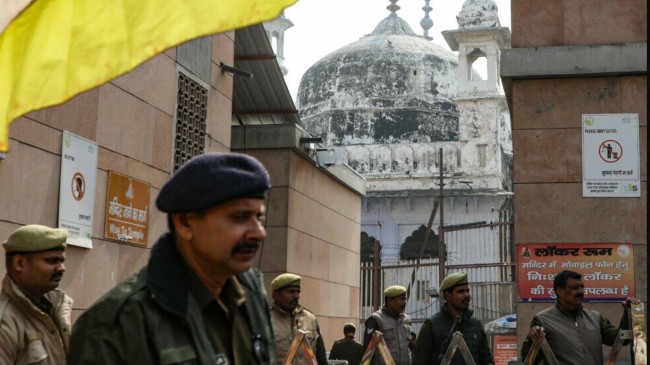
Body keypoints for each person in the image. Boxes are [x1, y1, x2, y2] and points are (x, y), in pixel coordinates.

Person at [68, 152, 277, 364]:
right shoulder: (116, 325)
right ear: (185, 223)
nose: (259, 233)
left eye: (259, 217)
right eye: (240, 217)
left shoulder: (250, 294)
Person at [520, 270, 639, 365]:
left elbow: (619, 339)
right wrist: (533, 338)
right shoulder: (543, 320)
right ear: (559, 291)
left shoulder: (595, 318)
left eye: (582, 287)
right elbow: (530, 360)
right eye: (575, 288)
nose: (581, 291)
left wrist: (628, 313)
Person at [0, 224, 72, 365]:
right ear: (19, 263)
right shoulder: (5, 321)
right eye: (52, 261)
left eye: (62, 261)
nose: (62, 268)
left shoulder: (55, 309)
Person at [412, 272, 494, 365]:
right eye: (461, 291)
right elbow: (419, 361)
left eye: (467, 291)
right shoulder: (431, 326)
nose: (467, 295)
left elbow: (487, 360)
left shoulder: (476, 325)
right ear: (448, 295)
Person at [269, 273, 328, 365]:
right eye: (291, 292)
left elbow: (321, 357)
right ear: (276, 295)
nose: (296, 296)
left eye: (298, 292)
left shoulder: (310, 319)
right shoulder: (265, 321)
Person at [363, 285, 412, 364]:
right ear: (389, 301)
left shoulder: (406, 320)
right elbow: (367, 354)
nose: (405, 303)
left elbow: (410, 347)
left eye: (405, 299)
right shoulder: (376, 319)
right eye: (402, 299)